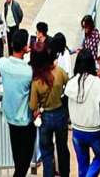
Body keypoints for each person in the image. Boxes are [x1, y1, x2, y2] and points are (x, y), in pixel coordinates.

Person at [30, 45, 70, 177]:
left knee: (46, 152)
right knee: (62, 148)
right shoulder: (59, 71)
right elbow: (68, 84)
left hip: (45, 117)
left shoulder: (36, 81)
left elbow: (32, 105)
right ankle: (64, 173)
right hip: (60, 113)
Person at [0, 29, 34, 177]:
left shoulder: (3, 64)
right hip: (25, 120)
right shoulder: (29, 72)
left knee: (18, 158)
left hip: (10, 118)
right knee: (24, 161)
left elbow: (3, 60)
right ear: (25, 47)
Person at [65, 50, 100, 177]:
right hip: (94, 131)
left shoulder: (71, 83)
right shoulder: (98, 84)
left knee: (82, 164)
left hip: (77, 130)